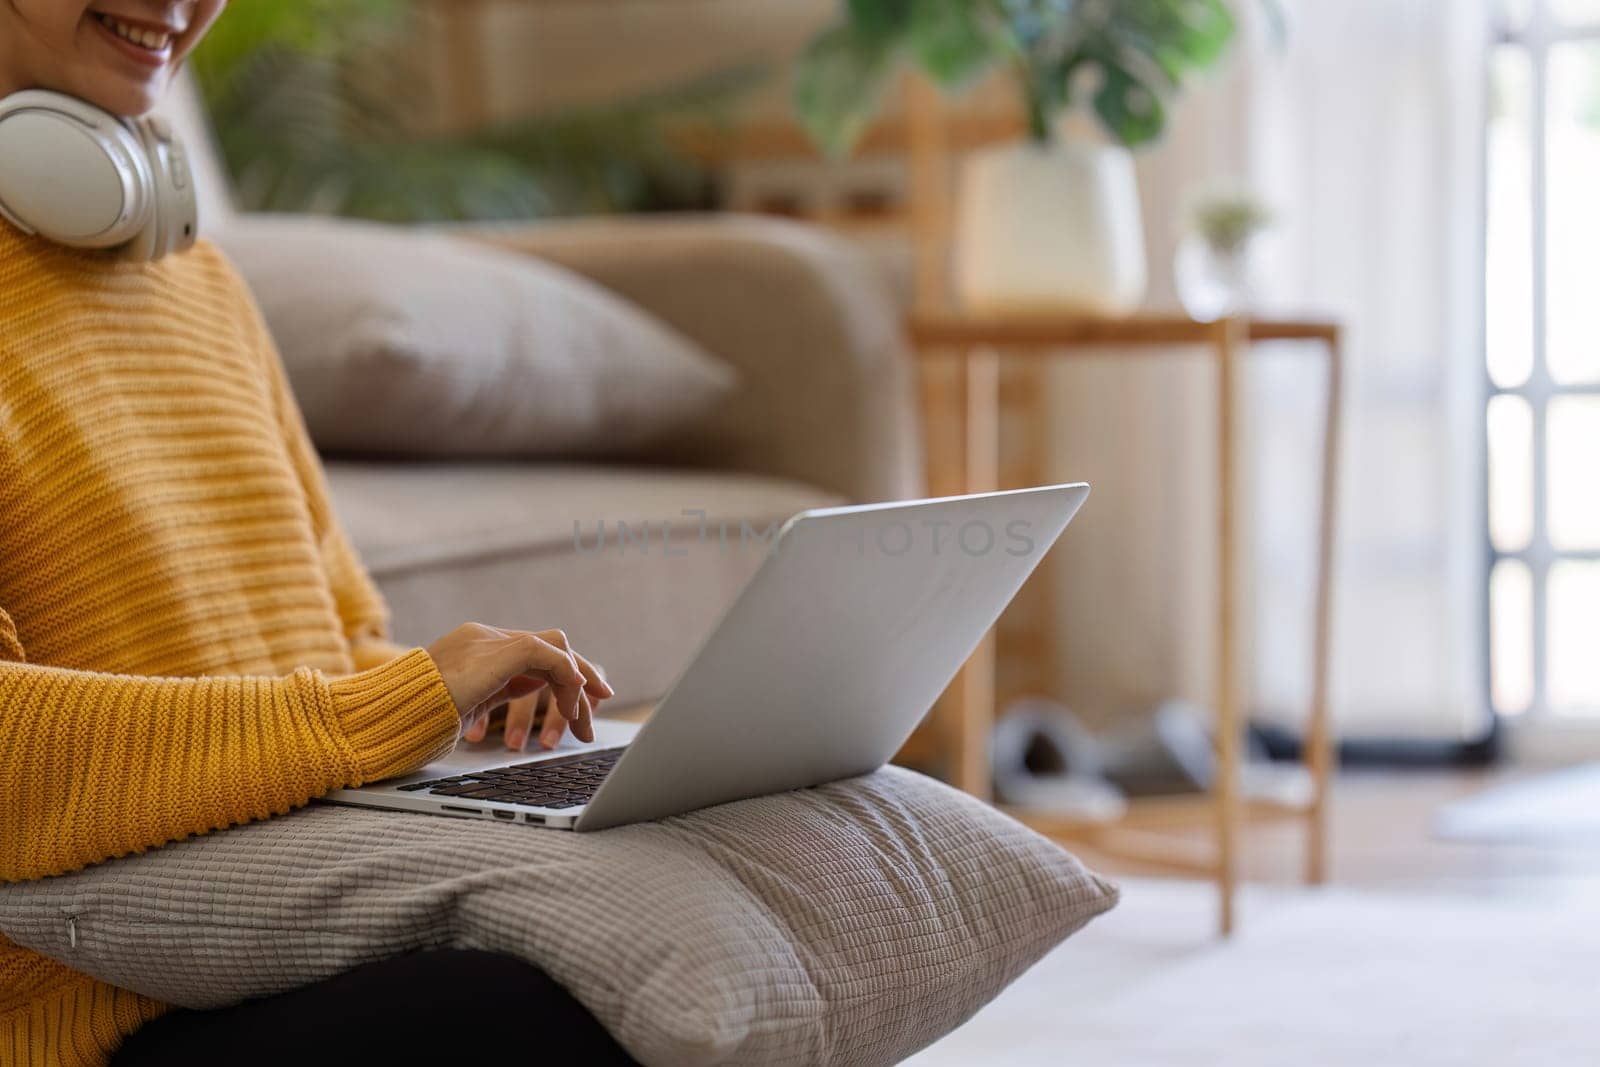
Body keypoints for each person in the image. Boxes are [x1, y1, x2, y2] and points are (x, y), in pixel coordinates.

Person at [0, 3, 634, 1063]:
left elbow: (338, 637)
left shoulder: (199, 281)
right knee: (558, 996)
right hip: (105, 1001)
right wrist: (388, 704)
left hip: (302, 896)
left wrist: (468, 713)